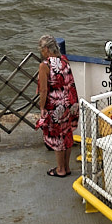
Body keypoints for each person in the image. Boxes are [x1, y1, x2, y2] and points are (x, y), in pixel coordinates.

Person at [36, 34, 79, 177]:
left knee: (57, 138)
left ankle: (60, 169)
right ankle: (66, 167)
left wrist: (42, 108)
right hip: (69, 103)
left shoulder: (45, 65)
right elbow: (70, 82)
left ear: (46, 49)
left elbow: (43, 90)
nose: (41, 53)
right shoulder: (64, 61)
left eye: (41, 49)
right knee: (67, 135)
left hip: (55, 106)